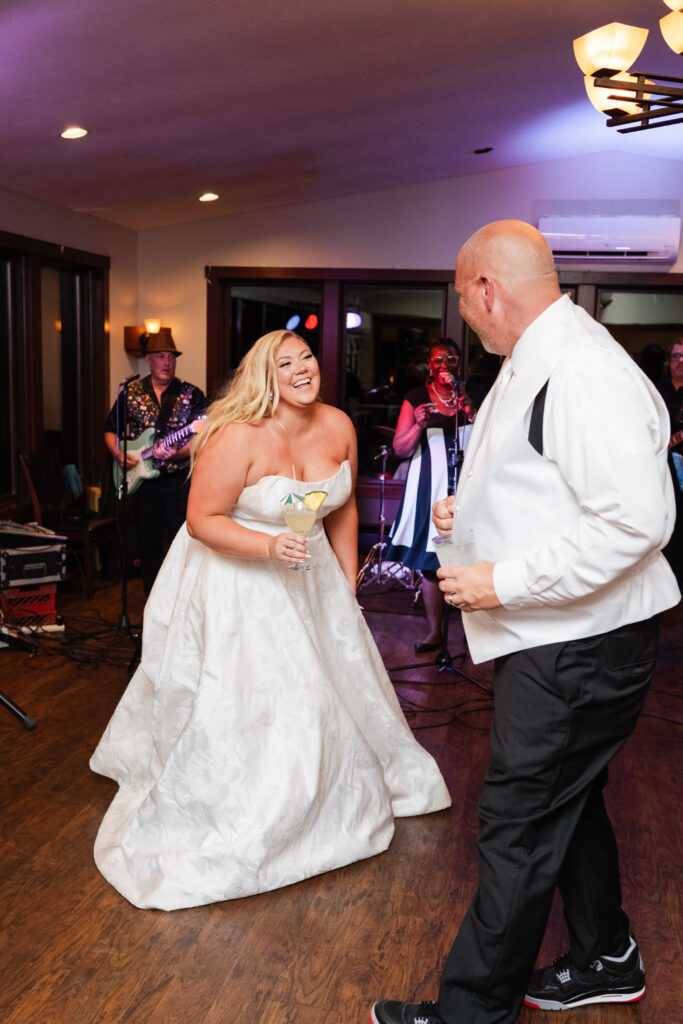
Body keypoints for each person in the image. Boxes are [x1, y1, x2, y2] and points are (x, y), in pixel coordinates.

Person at [371, 221, 680, 1024]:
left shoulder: (579, 369)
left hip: (577, 646)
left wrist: (500, 579)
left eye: (467, 309)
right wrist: (464, 512)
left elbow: (633, 523)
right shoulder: (536, 355)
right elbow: (544, 482)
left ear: (486, 289)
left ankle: (472, 1013)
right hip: (560, 639)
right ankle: (605, 955)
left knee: (516, 821)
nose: (468, 326)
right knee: (564, 803)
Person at [90, 329, 450, 911]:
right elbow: (203, 518)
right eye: (286, 363)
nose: (302, 368)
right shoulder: (237, 436)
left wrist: (348, 581)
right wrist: (266, 550)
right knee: (260, 694)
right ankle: (263, 799)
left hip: (309, 575)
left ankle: (323, 790)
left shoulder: (338, 426)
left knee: (326, 686)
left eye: (306, 356)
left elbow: (345, 505)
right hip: (238, 577)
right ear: (266, 376)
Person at [386, 338, 474, 651]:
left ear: (458, 362)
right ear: (430, 364)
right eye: (438, 361)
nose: (444, 366)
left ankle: (471, 633)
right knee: (431, 562)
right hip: (429, 487)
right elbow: (400, 448)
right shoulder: (417, 398)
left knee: (466, 559)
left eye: (451, 360)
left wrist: (467, 404)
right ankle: (435, 631)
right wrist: (419, 425)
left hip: (463, 487)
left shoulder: (468, 397)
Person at [104, 333, 206, 595]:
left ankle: (180, 604)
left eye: (171, 357)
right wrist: (118, 453)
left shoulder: (191, 394)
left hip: (178, 482)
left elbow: (204, 436)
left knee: (180, 544)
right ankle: (151, 604)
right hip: (142, 483)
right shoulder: (131, 392)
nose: (167, 362)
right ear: (148, 360)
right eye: (161, 356)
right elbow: (109, 430)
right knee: (147, 546)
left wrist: (180, 453)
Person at [656, 336, 683, 588]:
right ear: (669, 360)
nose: (681, 362)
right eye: (676, 356)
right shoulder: (656, 391)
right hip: (660, 471)